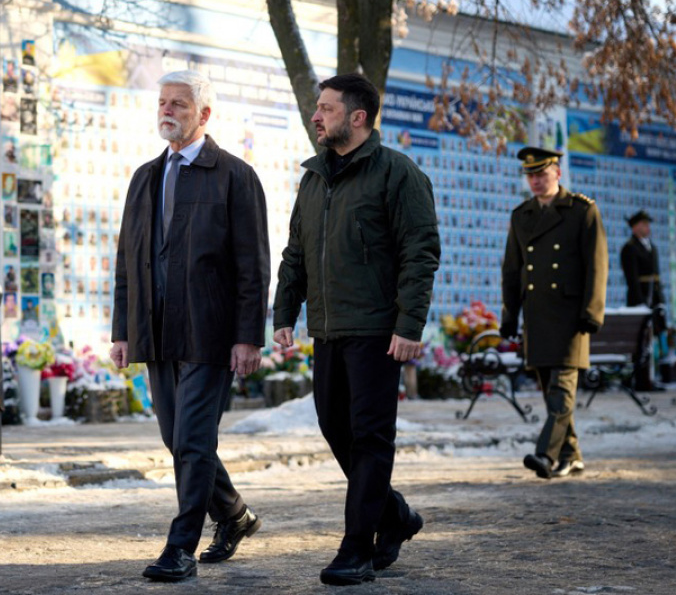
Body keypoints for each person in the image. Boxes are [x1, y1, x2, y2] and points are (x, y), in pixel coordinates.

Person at [272, 73, 440, 586]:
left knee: (369, 436)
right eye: (317, 108)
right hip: (328, 328)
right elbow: (296, 252)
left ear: (358, 116)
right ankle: (395, 515)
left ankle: (357, 548)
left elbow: (419, 254)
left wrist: (409, 324)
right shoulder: (314, 178)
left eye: (326, 108)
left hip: (377, 330)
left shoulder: (398, 173)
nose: (316, 116)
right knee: (334, 428)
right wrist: (285, 313)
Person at [109, 70, 271, 582]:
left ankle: (180, 547)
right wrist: (122, 329)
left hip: (210, 330)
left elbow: (253, 264)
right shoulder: (145, 177)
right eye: (163, 102)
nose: (168, 110)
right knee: (177, 439)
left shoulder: (235, 175)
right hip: (155, 329)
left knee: (194, 441)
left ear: (204, 114)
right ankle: (235, 515)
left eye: (179, 103)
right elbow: (127, 261)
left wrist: (248, 336)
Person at [501, 146, 608, 480]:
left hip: (572, 316)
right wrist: (509, 315)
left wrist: (592, 312)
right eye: (530, 175)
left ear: (557, 173)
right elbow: (512, 270)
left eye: (542, 174)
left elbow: (597, 265)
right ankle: (571, 455)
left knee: (561, 388)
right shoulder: (522, 216)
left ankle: (545, 455)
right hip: (537, 315)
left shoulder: (582, 210)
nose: (535, 181)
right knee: (551, 391)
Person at [620, 209, 667, 391]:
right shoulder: (629, 248)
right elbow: (632, 279)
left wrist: (660, 300)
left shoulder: (652, 247)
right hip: (639, 300)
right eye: (644, 224)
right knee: (641, 342)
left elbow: (656, 276)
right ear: (634, 227)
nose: (647, 228)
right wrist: (641, 303)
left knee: (653, 339)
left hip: (654, 299)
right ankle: (641, 380)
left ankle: (652, 377)